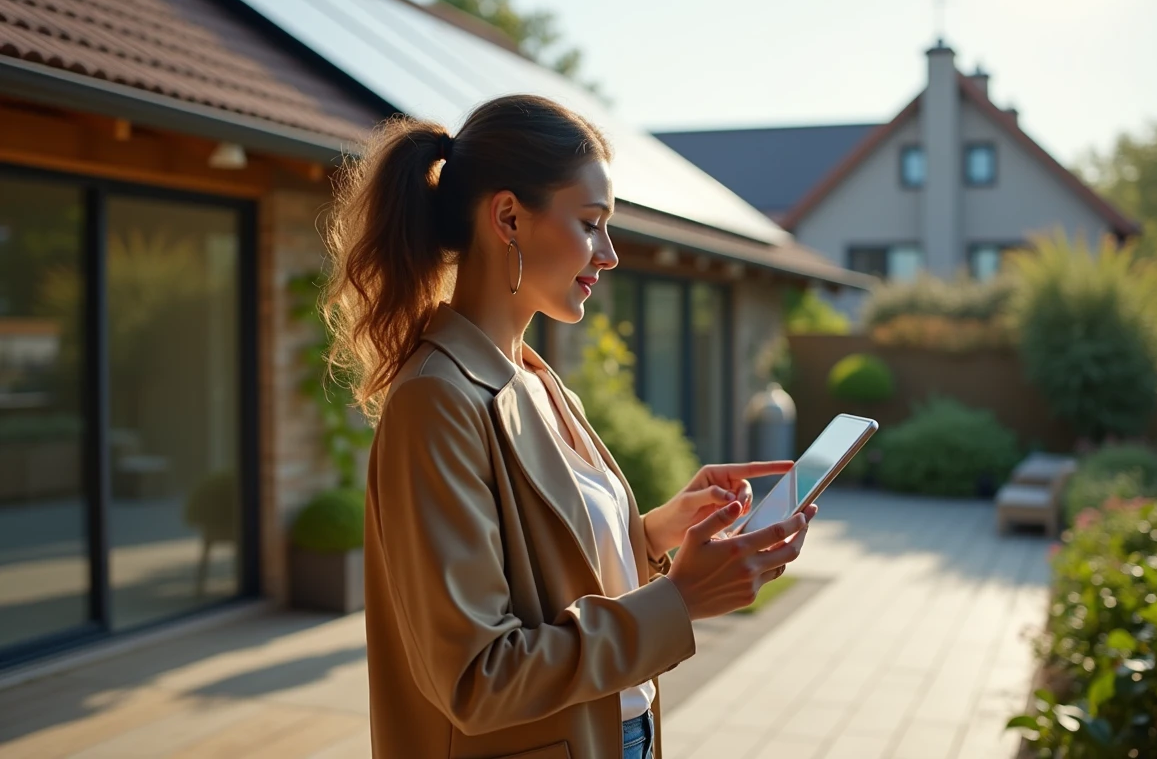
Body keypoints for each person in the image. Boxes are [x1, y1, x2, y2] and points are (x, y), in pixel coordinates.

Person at [322, 94, 817, 759]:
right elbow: (478, 679)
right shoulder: (436, 402)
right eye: (591, 223)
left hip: (617, 735)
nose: (608, 254)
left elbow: (553, 577)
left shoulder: (536, 380)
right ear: (508, 218)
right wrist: (680, 599)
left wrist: (656, 534)